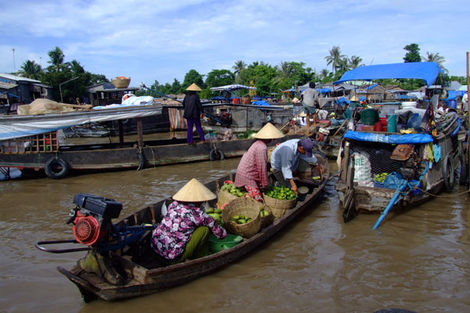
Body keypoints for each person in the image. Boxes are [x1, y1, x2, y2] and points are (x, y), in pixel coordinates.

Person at [151, 178, 226, 263]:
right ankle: (201, 259)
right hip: (173, 257)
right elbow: (221, 235)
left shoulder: (173, 205)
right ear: (200, 201)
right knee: (204, 230)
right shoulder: (199, 215)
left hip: (156, 248)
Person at [234, 123, 285, 201]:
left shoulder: (257, 143)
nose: (273, 140)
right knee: (259, 201)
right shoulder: (262, 147)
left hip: (243, 173)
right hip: (247, 176)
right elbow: (261, 168)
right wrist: (265, 185)